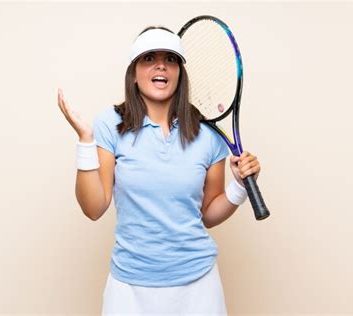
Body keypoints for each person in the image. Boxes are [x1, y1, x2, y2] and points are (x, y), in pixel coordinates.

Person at [57, 26, 261, 315]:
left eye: (171, 59)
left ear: (180, 71)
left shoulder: (208, 135)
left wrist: (239, 187)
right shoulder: (109, 124)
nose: (161, 65)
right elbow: (93, 208)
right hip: (129, 288)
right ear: (134, 71)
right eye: (149, 57)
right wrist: (85, 143)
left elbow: (209, 214)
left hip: (198, 287)